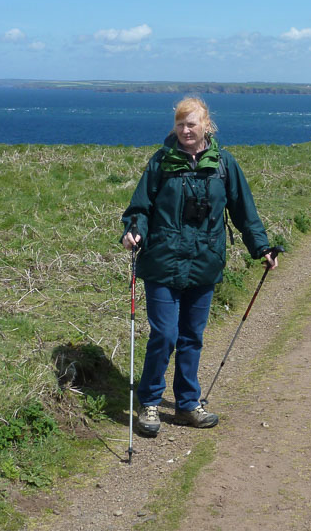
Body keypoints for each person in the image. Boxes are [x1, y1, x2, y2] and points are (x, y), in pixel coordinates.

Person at [121, 96, 279, 436]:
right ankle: (149, 403)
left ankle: (188, 404)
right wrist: (133, 232)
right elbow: (140, 207)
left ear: (206, 125)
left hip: (204, 262)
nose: (185, 129)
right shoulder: (161, 162)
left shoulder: (223, 164)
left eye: (191, 124)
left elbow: (243, 211)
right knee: (165, 334)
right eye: (180, 123)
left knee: (192, 336)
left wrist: (261, 248)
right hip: (162, 261)